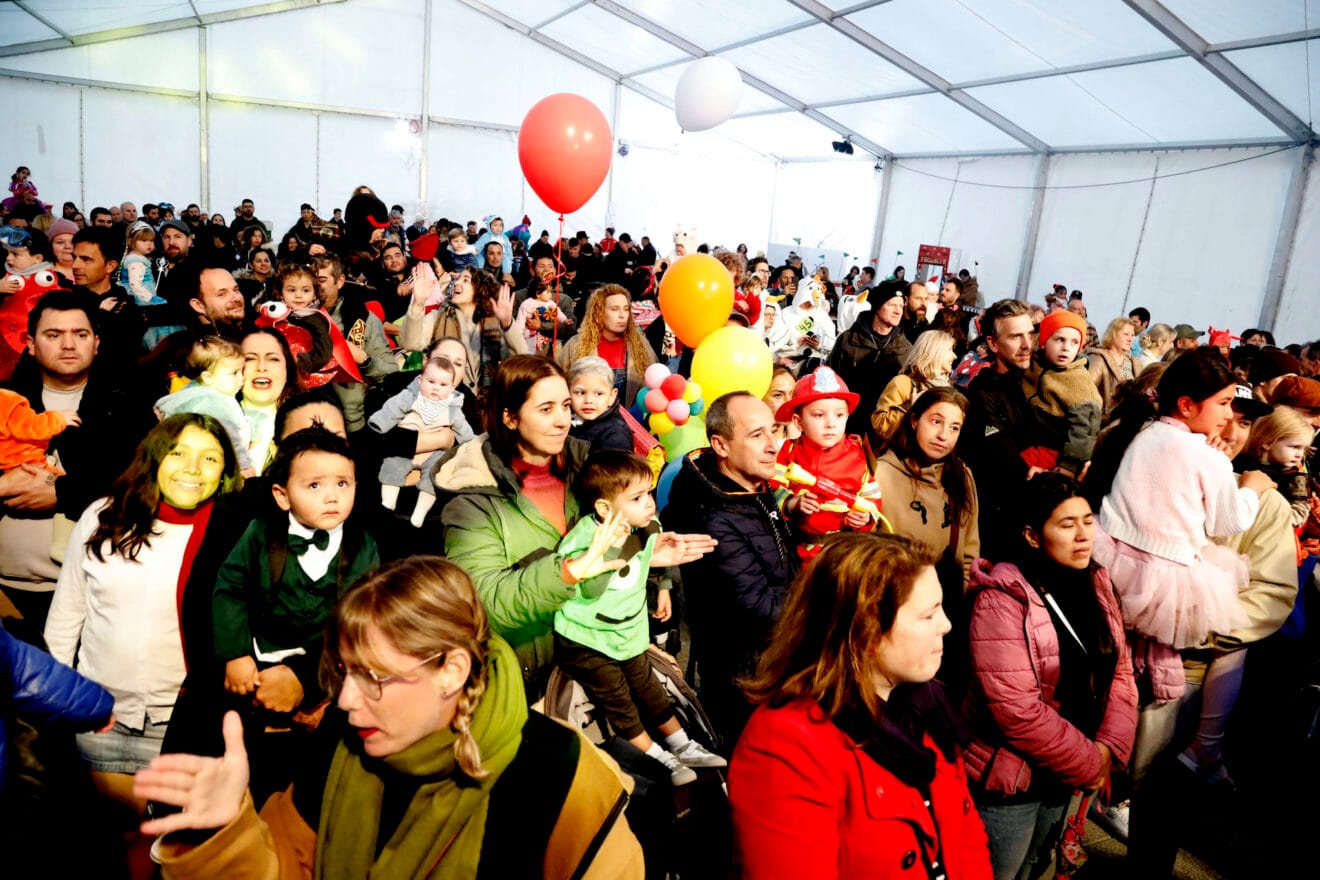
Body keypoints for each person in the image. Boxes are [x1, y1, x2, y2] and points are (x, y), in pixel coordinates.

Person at [138, 556, 645, 877]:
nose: (344, 701)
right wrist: (226, 834)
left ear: (452, 670)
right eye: (341, 673)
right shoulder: (339, 742)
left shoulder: (561, 771)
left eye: (374, 677)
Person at [730, 533, 992, 880]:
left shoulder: (924, 704)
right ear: (867, 632)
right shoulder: (786, 746)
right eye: (928, 615)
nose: (946, 625)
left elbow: (965, 833)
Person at [43, 414, 240, 861]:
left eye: (210, 458)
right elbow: (66, 617)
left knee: (171, 847)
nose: (192, 468)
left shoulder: (232, 532)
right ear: (154, 459)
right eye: (179, 453)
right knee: (113, 842)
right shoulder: (104, 516)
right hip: (100, 715)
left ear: (225, 471)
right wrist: (55, 705)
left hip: (184, 723)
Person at [963, 475, 1137, 880]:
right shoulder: (1001, 597)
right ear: (1032, 535)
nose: (1083, 536)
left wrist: (1109, 746)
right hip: (1011, 781)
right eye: (1066, 524)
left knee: (1036, 868)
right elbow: (1015, 710)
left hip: (1068, 774)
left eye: (1088, 521)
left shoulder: (1096, 581)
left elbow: (1121, 672)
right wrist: (1091, 762)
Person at [1087, 350, 1276, 720]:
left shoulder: (1141, 433)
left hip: (1111, 553)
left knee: (1113, 653)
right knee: (1156, 666)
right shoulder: (1210, 457)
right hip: (1168, 575)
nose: (1227, 415)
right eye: (1223, 403)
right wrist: (1253, 489)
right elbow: (1227, 522)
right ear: (1187, 405)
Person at [211, 427, 379, 804]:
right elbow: (230, 590)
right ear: (282, 496)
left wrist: (319, 684)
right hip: (259, 663)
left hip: (326, 674)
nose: (333, 496)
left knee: (312, 772)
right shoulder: (260, 534)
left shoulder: (362, 544)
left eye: (343, 483)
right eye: (315, 486)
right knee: (250, 763)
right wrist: (234, 654)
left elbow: (362, 623)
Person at [553, 451, 722, 785]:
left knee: (647, 686)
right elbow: (592, 587)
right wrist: (611, 549)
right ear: (604, 508)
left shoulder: (643, 526)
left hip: (627, 630)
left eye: (649, 493)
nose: (649, 503)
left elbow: (649, 548)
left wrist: (663, 571)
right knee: (618, 698)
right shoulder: (585, 541)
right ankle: (656, 756)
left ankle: (681, 744)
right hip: (587, 638)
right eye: (637, 497)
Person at [661, 392, 796, 747]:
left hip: (775, 665)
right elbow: (761, 610)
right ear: (720, 445)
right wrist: (833, 592)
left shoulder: (751, 487)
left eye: (775, 431)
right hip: (747, 680)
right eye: (756, 435)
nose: (773, 446)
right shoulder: (714, 517)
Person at [772, 366, 880, 560]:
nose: (831, 423)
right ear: (798, 422)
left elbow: (872, 496)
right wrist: (792, 503)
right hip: (794, 551)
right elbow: (773, 489)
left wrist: (865, 517)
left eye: (839, 415)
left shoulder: (857, 454)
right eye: (819, 415)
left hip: (842, 553)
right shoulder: (788, 451)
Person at [961, 299, 1035, 562]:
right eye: (1016, 336)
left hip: (1028, 514)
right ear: (993, 344)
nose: (1027, 344)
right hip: (997, 522)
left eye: (1030, 333)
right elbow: (1003, 457)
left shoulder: (1036, 381)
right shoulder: (983, 394)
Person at [368, 355, 473, 527]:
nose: (436, 388)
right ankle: (388, 504)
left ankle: (420, 513)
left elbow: (464, 431)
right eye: (431, 382)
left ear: (452, 386)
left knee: (432, 479)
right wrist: (380, 423)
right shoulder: (410, 397)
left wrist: (471, 443)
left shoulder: (452, 408)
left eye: (443, 385)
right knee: (392, 467)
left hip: (433, 455)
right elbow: (392, 409)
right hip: (405, 450)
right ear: (420, 379)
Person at [399, 263, 522, 391]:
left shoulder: (495, 322)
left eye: (465, 280)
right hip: (446, 394)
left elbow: (519, 359)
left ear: (480, 289)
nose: (457, 283)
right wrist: (418, 303)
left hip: (485, 399)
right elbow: (409, 344)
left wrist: (508, 326)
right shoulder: (439, 316)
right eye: (458, 279)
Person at [155, 336, 254, 475]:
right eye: (234, 373)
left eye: (242, 371)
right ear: (207, 377)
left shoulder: (191, 392)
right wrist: (244, 466)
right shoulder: (216, 403)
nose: (242, 378)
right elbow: (229, 438)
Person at [1021, 309, 1102, 477]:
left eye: (1074, 343)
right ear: (1043, 341)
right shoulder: (1034, 363)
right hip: (1028, 436)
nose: (1066, 348)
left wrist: (1068, 467)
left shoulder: (1078, 381)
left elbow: (1085, 431)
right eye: (1059, 339)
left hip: (1054, 450)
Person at [830, 285, 910, 438]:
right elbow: (832, 376)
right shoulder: (848, 339)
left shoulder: (905, 347)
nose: (898, 311)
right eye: (892, 305)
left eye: (901, 306)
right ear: (878, 307)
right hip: (848, 421)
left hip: (883, 426)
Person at [557, 285, 657, 403]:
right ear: (599, 312)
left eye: (625, 309)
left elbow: (654, 388)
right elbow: (559, 386)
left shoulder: (641, 347)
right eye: (615, 309)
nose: (622, 315)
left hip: (630, 419)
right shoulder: (575, 345)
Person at [870, 329, 956, 451]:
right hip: (900, 461)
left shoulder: (947, 388)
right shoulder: (903, 383)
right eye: (949, 350)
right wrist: (910, 407)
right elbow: (880, 425)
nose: (954, 356)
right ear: (935, 352)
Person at [1240, 405, 1314, 528]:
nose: (1299, 455)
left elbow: (1300, 511)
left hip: (1273, 530)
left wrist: (1275, 523)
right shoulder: (1242, 463)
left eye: (1303, 449)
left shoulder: (1295, 477)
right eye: (1294, 447)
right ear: (1267, 443)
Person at [239, 328, 299, 474]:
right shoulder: (212, 418)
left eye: (273, 359)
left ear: (287, 369)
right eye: (250, 359)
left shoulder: (307, 423)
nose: (261, 367)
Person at [0, 387, 79, 475]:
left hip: (10, 466)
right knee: (54, 480)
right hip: (27, 461)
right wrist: (58, 419)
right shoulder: (5, 398)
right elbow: (28, 427)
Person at [568, 355, 633, 453]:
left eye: (598, 394)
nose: (588, 400)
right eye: (580, 393)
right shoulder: (566, 419)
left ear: (612, 396)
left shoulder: (615, 434)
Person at [1087, 317, 1138, 415]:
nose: (1130, 339)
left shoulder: (1134, 363)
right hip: (1102, 419)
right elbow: (1085, 391)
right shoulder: (1098, 359)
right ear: (1113, 334)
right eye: (1126, 334)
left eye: (1132, 335)